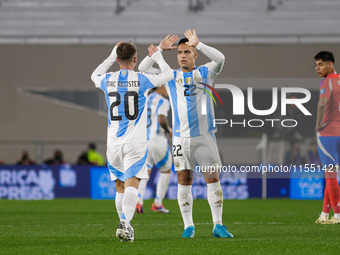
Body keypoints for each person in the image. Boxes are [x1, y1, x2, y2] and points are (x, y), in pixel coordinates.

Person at [139, 29, 233, 238]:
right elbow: (142, 69)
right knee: (183, 179)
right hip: (181, 138)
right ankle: (188, 226)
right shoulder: (171, 76)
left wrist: (199, 43)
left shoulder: (206, 72)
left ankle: (217, 225)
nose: (182, 55)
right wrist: (158, 50)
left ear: (195, 55)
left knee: (212, 179)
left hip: (204, 136)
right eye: (180, 52)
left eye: (187, 52)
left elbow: (221, 58)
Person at [91, 40, 173, 242]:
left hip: (113, 144)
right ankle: (125, 224)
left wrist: (111, 54)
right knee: (132, 184)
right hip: (135, 143)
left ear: (117, 59)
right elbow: (169, 75)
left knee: (120, 186)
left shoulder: (107, 79)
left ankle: (123, 224)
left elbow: (94, 75)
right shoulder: (142, 79)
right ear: (135, 59)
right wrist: (158, 55)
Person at [136, 86, 173, 214]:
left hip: (144, 140)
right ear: (161, 86)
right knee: (166, 170)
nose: (168, 90)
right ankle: (157, 203)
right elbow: (161, 119)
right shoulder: (163, 101)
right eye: (166, 87)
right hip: (157, 140)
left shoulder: (144, 99)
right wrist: (169, 130)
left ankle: (138, 202)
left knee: (145, 172)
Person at [314, 51, 340, 224]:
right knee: (329, 173)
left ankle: (337, 215)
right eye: (316, 65)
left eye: (320, 64)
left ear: (330, 64)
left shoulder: (327, 81)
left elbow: (322, 103)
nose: (317, 68)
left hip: (328, 133)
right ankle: (324, 214)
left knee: (330, 174)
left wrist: (317, 125)